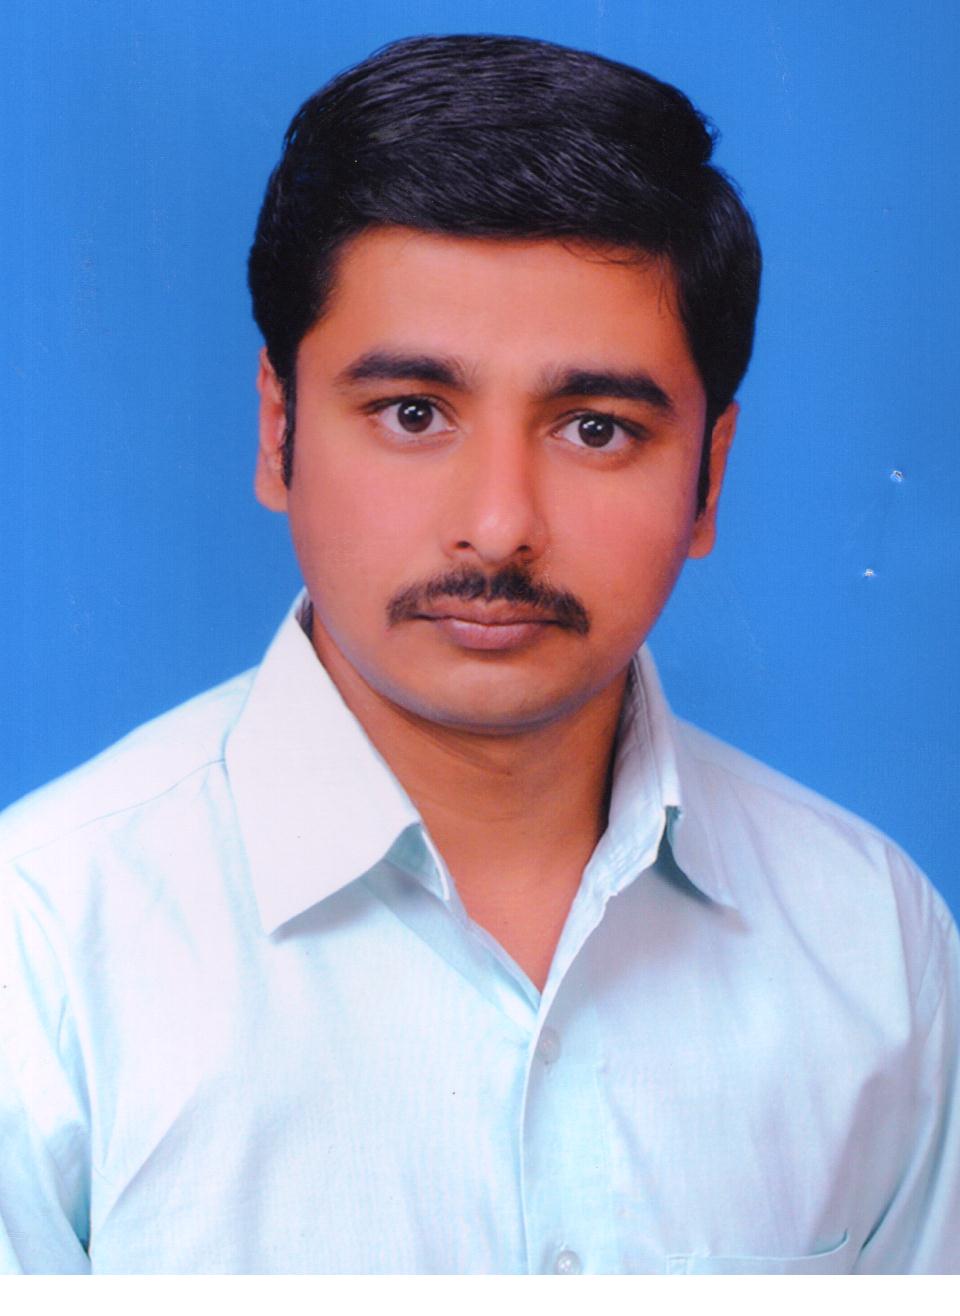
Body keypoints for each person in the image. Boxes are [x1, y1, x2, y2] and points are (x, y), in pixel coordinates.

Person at [1, 34, 957, 1276]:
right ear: (279, 431)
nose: (500, 524)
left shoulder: (873, 938)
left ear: (710, 477)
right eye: (413, 413)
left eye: (595, 428)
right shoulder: (42, 951)